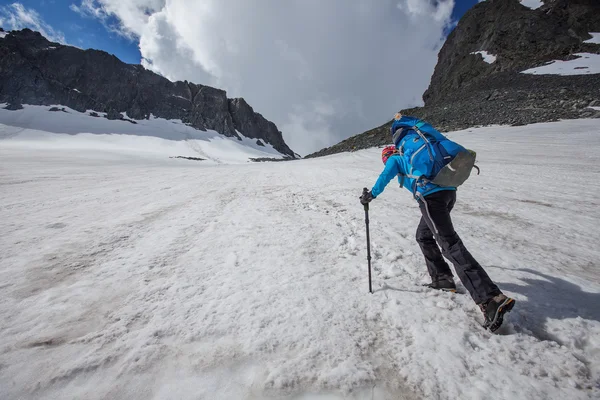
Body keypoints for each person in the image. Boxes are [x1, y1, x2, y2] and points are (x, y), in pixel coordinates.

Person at [359, 115, 515, 332]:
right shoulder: (418, 153)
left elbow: (385, 176)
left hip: (430, 197)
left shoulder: (397, 159)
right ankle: (442, 279)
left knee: (449, 244)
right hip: (447, 193)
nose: (387, 161)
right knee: (423, 235)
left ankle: (490, 298)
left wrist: (370, 196)